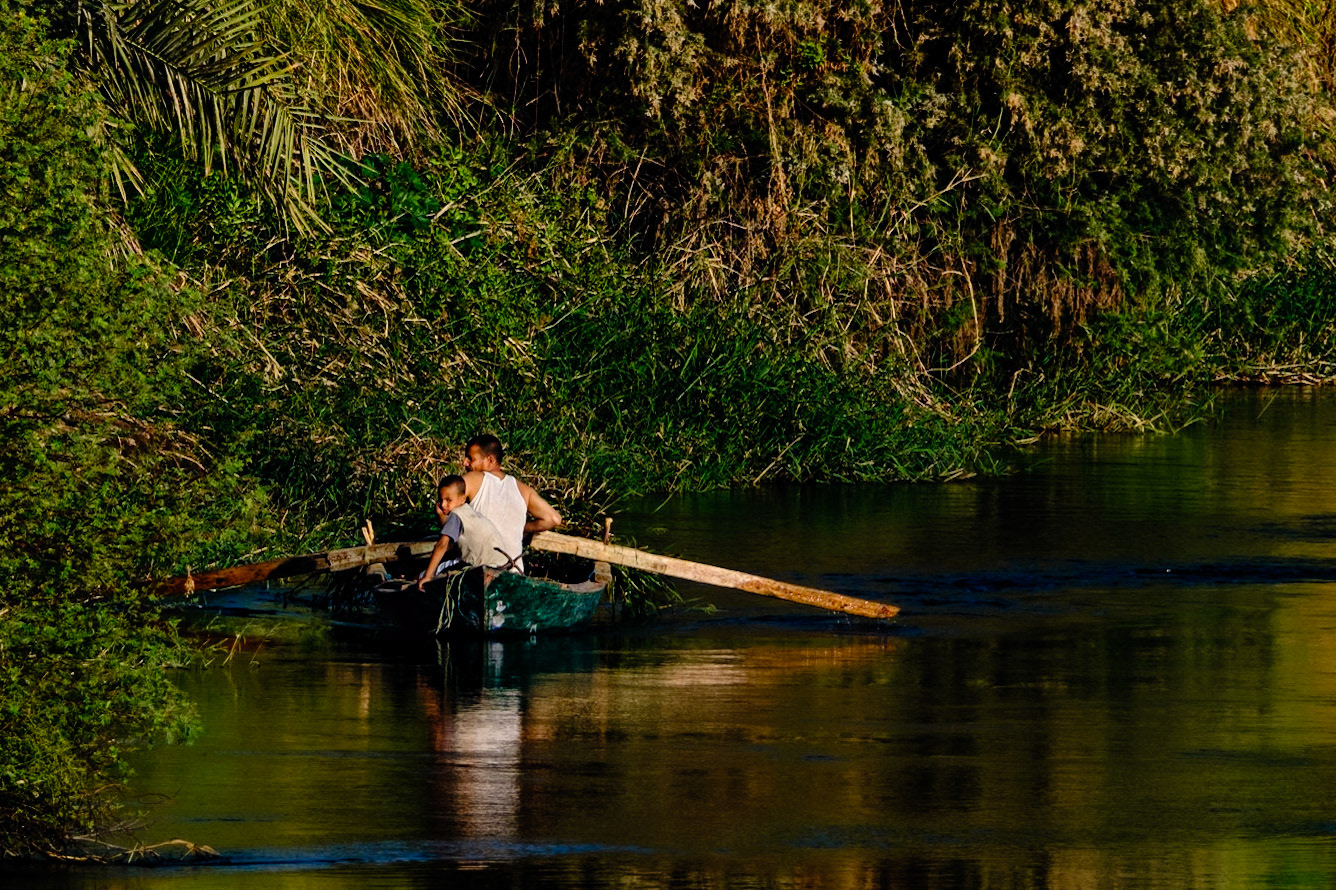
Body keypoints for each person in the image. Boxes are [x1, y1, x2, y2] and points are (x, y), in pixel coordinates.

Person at [453, 434, 561, 573]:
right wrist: (524, 528)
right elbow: (554, 519)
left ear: (490, 460)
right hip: (514, 571)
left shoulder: (472, 478)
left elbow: (448, 505)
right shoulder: (523, 489)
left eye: (471, 459)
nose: (464, 463)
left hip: (481, 570)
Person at [418, 475, 513, 591]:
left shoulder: (456, 515)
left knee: (424, 575)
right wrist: (440, 515)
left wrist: (428, 576)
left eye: (448, 500)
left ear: (462, 499)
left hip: (480, 566)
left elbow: (442, 545)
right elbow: (451, 534)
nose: (443, 504)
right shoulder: (469, 512)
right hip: (501, 564)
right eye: (440, 499)